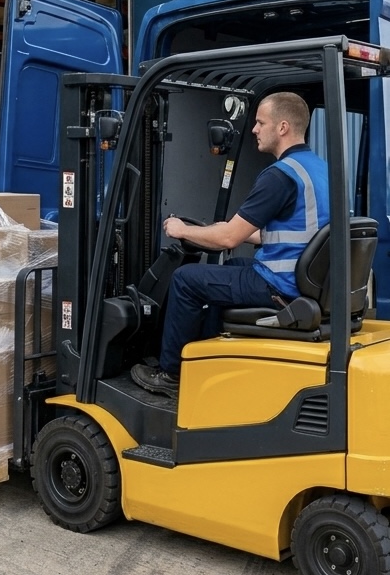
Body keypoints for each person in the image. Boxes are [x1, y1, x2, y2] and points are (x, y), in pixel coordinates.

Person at [131, 92, 330, 399]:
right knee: (232, 267)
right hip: (303, 280)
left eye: (260, 122)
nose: (254, 129)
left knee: (186, 280)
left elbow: (227, 239)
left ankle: (170, 373)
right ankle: (209, 362)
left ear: (282, 127)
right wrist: (220, 231)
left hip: (280, 285)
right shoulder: (317, 168)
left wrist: (182, 228)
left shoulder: (280, 176)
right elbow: (296, 232)